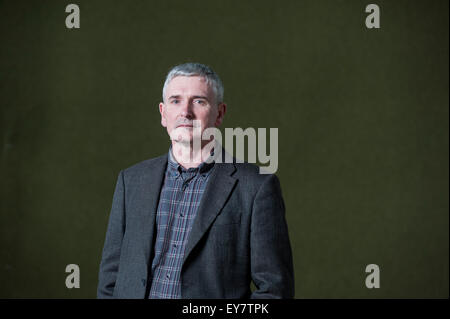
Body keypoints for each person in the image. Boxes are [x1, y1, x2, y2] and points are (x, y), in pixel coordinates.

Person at [97, 62, 294, 299]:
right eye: (176, 100)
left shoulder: (256, 187)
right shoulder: (131, 181)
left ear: (219, 114)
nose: (185, 112)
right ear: (163, 113)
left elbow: (274, 291)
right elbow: (111, 278)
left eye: (199, 101)